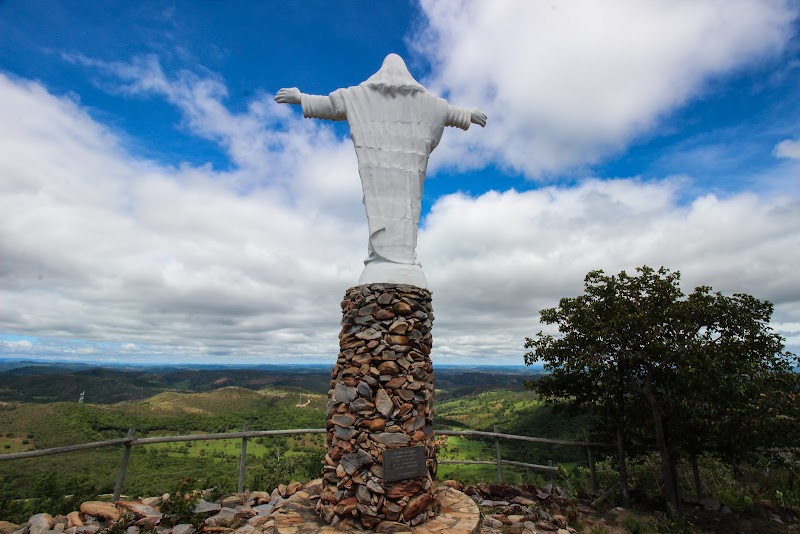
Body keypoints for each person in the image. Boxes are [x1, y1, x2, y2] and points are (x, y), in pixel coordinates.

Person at [276, 54, 486, 288]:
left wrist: (301, 97)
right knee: (395, 209)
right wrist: (469, 114)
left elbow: (332, 105)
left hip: (395, 172)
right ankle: (386, 260)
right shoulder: (387, 98)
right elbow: (449, 113)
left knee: (399, 210)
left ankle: (399, 260)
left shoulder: (365, 96)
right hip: (391, 173)